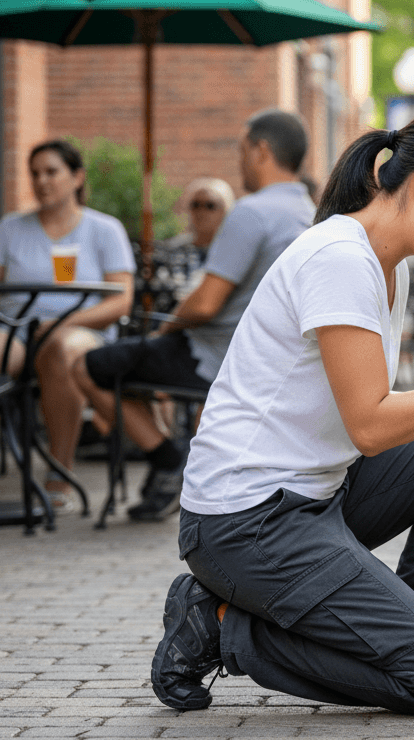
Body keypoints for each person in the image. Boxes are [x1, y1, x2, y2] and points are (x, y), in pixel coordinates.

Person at [149, 104, 414, 716]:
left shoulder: (382, 265)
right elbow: (371, 426)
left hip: (317, 497)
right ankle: (218, 623)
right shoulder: (339, 259)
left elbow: (363, 412)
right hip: (246, 523)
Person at [73, 109, 315, 522]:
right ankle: (168, 458)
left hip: (215, 356)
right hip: (273, 361)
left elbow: (204, 304)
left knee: (88, 365)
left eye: (241, 151)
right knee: (134, 367)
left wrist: (165, 330)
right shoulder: (311, 213)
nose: (239, 162)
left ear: (261, 151)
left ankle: (168, 462)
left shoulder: (251, 211)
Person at [0, 139, 135, 507]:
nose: (42, 181)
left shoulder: (104, 229)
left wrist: (63, 322)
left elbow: (121, 299)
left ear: (76, 177)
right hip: (17, 325)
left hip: (83, 329)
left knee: (61, 349)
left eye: (51, 172)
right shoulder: (10, 228)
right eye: (35, 173)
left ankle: (59, 469)